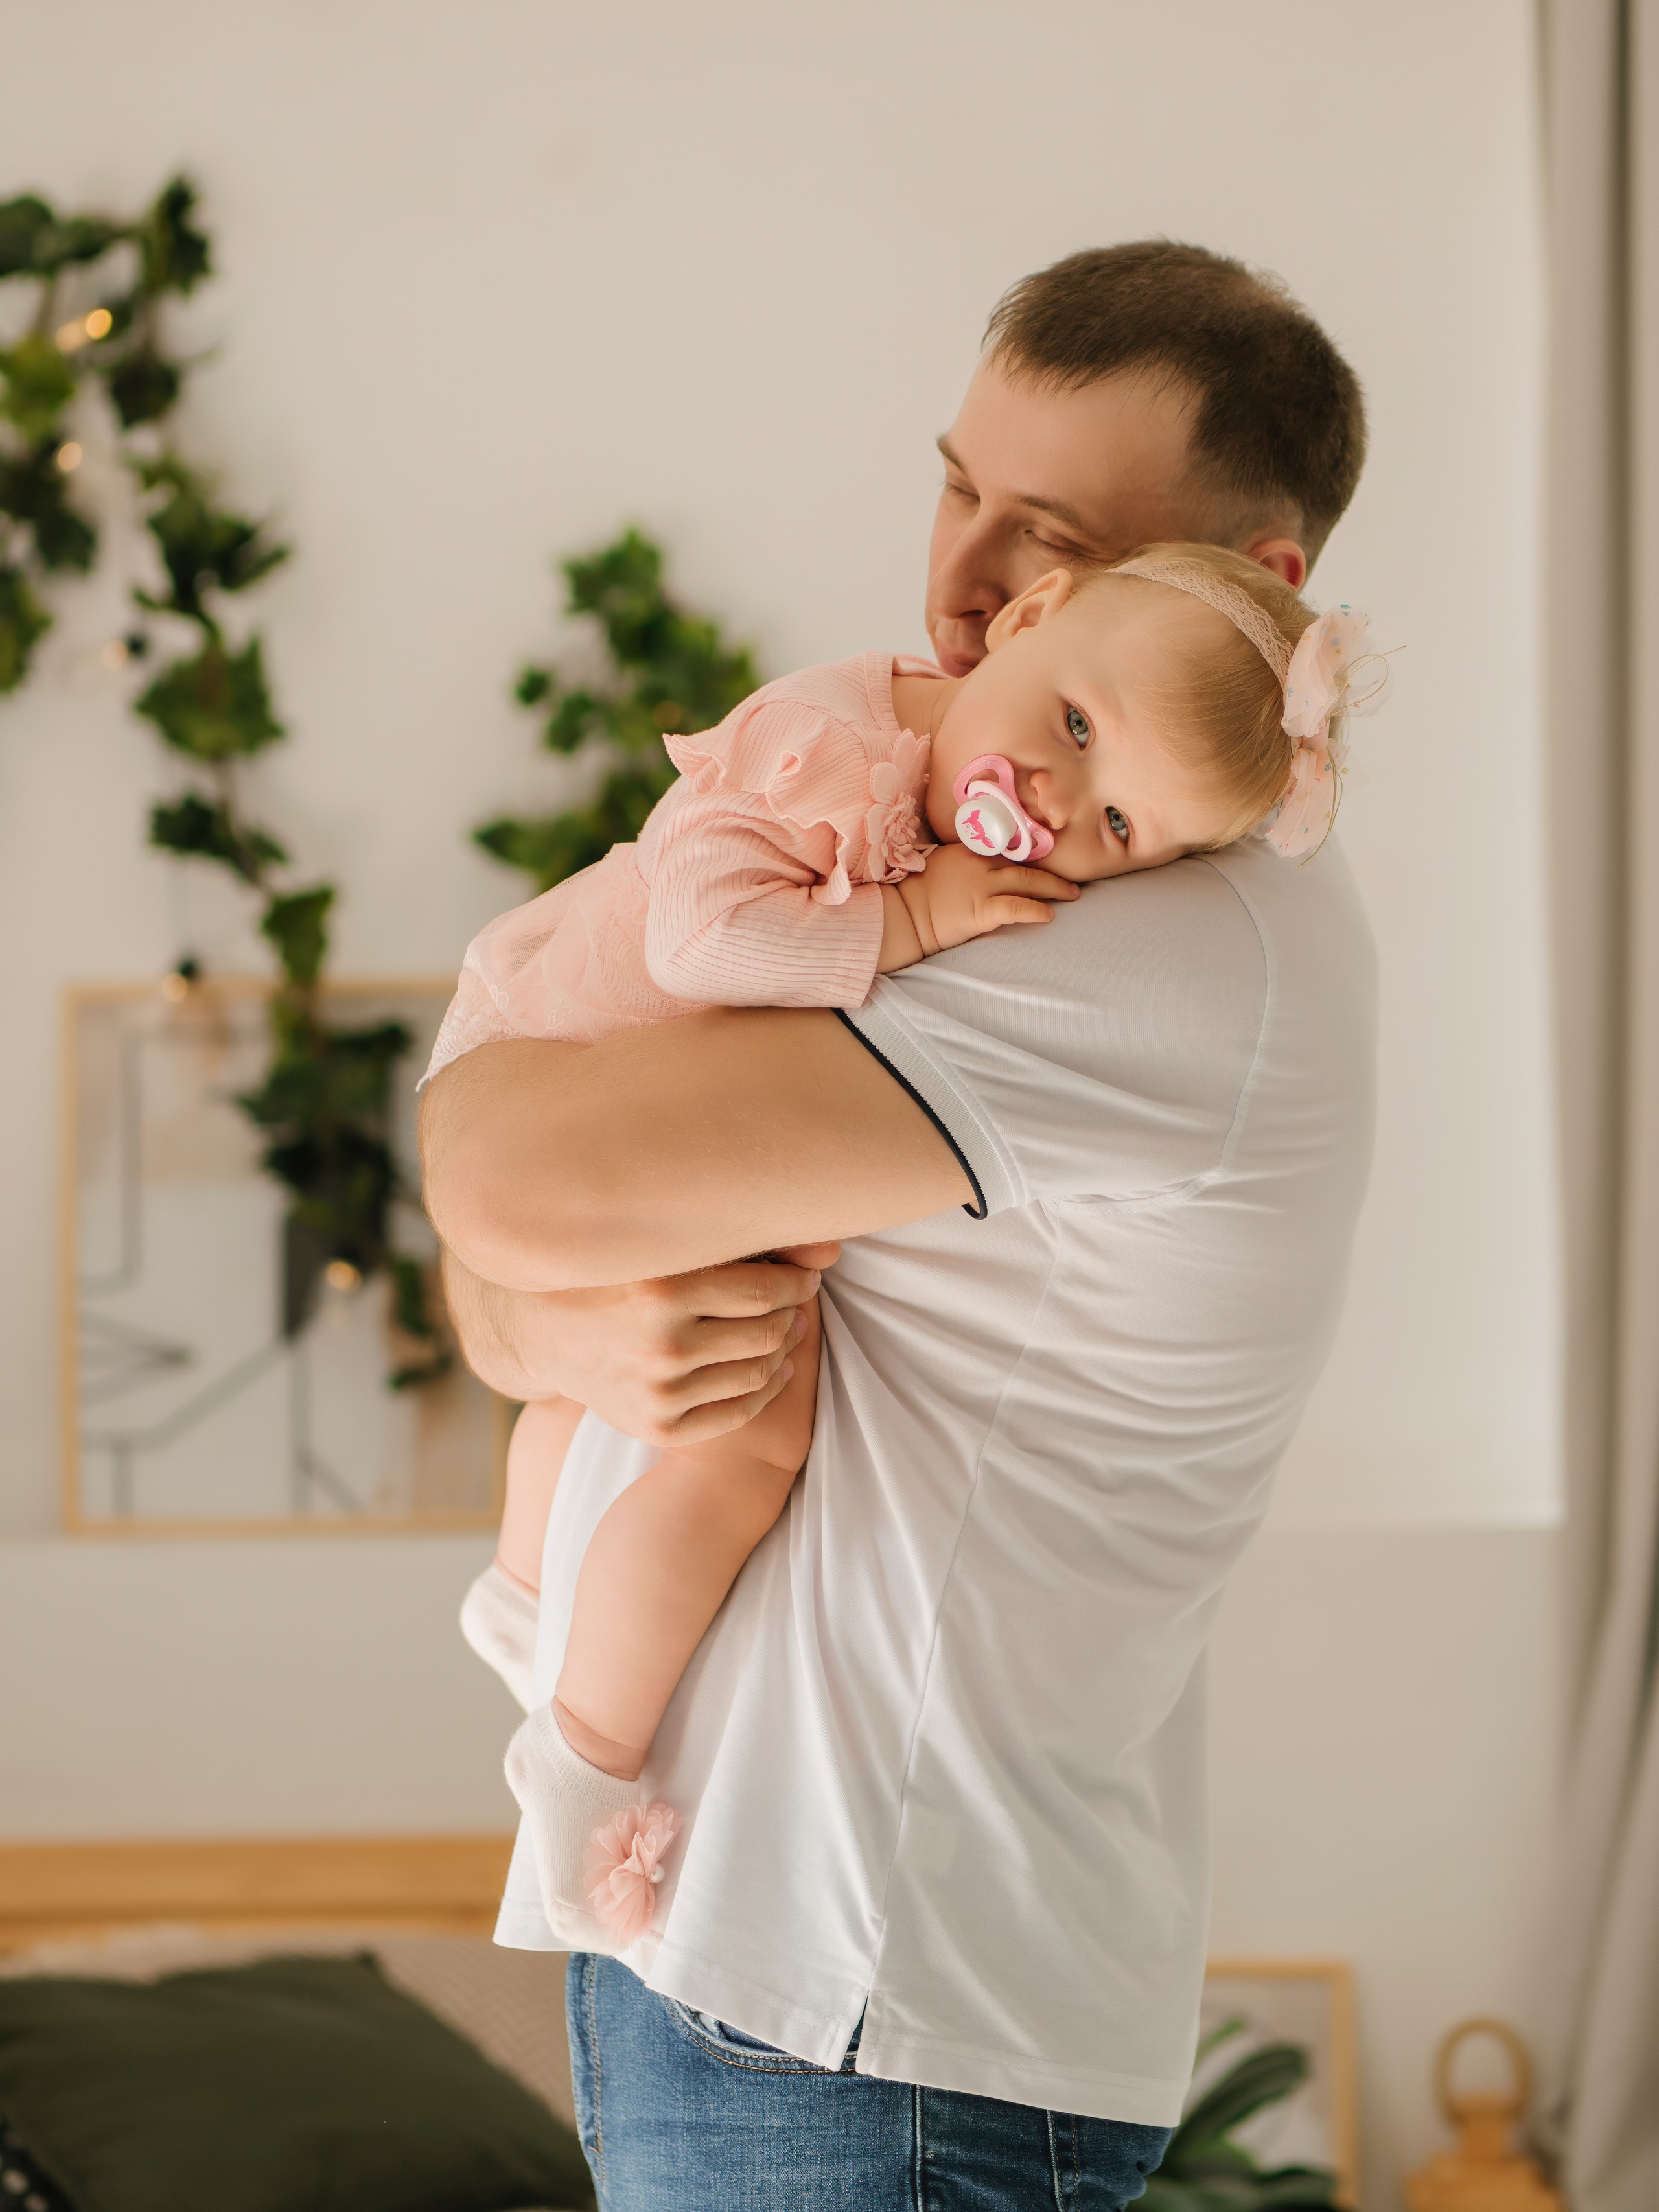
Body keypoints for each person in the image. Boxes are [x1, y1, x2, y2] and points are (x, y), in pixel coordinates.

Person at [421, 242, 1377, 2211]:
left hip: (871, 2007)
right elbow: (526, 1242)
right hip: (777, 1961)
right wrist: (569, 1334)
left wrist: (539, 1271)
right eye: (958, 486)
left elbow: (502, 1160)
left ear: (1253, 597)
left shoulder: (1163, 942)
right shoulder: (946, 827)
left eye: (1057, 531)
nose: (968, 577)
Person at [443, 545, 1383, 1950]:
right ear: (1026, 620)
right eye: (1068, 727)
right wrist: (909, 919)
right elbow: (700, 951)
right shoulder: (843, 760)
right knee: (728, 1438)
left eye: (1118, 824)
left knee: (641, 1404)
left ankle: (546, 1663)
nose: (1055, 806)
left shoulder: (1172, 940)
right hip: (571, 1039)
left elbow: (514, 1248)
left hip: (837, 1931)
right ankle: (570, 1725)